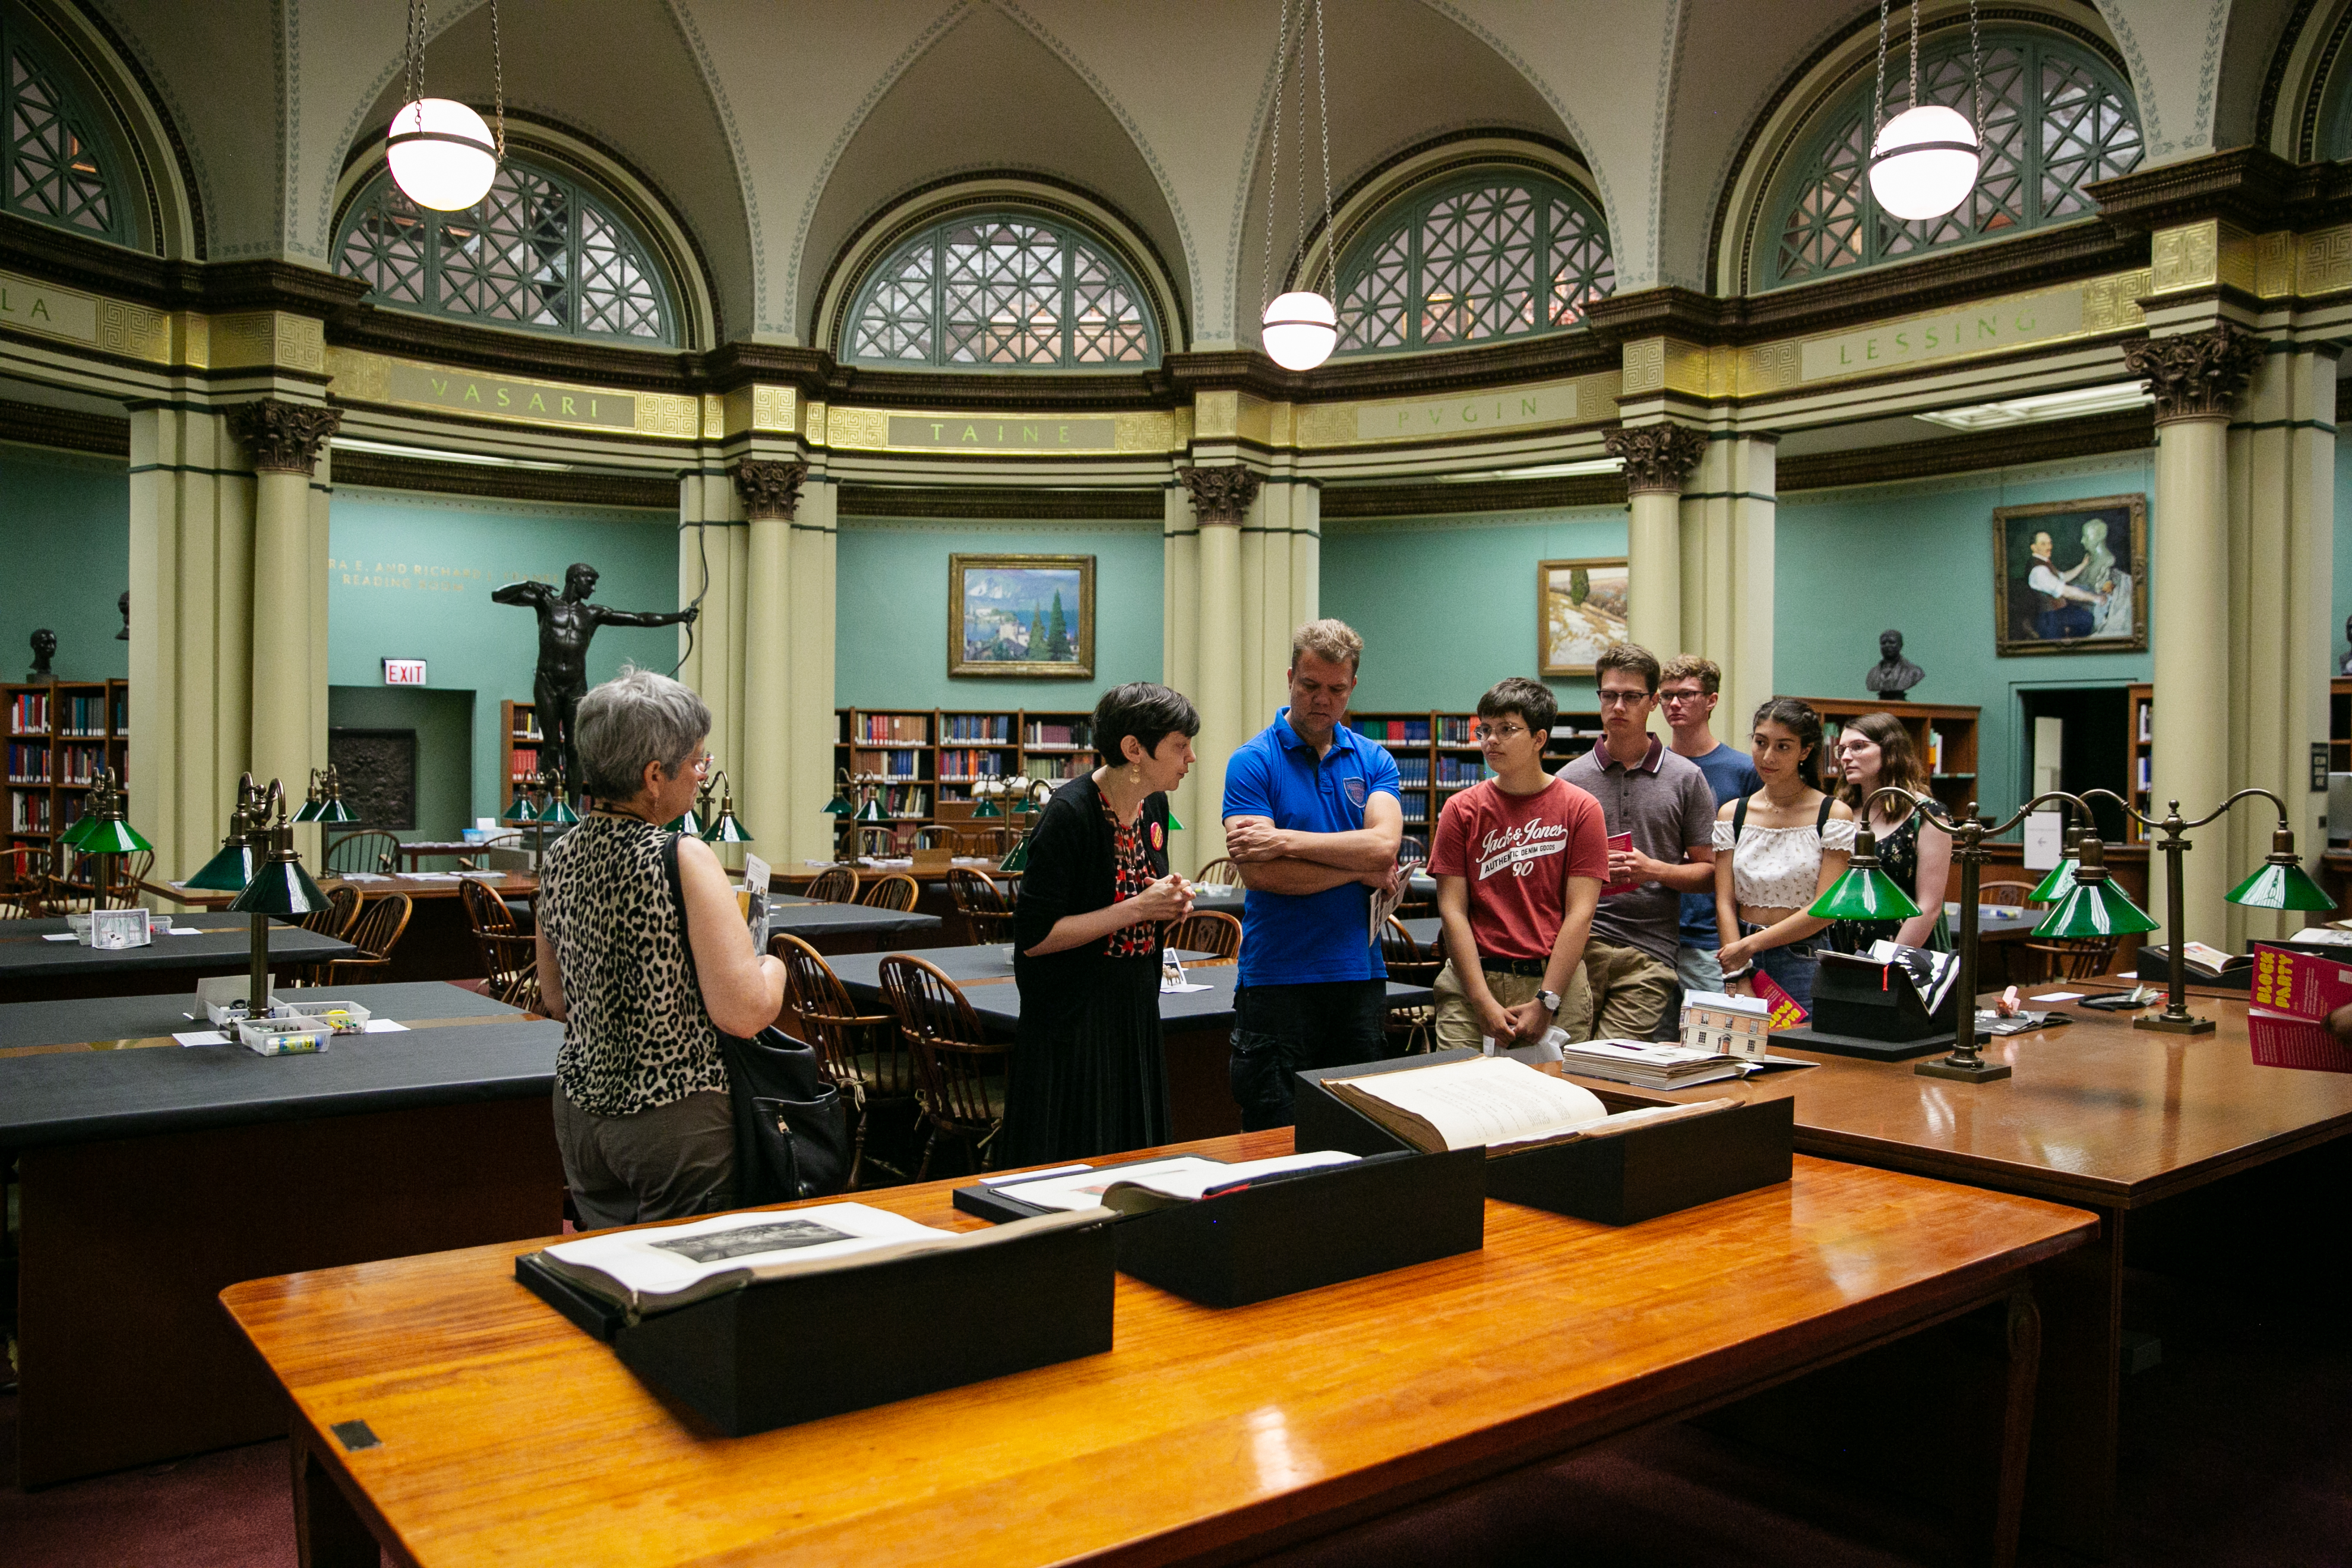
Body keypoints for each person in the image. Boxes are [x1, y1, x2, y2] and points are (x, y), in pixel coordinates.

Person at [536, 666, 786, 1229]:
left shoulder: (560, 855)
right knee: (687, 1294)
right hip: (675, 1121)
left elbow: (556, 1000)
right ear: (654, 776)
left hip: (581, 1111)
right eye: (697, 762)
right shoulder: (682, 856)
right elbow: (743, 1012)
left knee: (609, 1278)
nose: (702, 776)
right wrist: (773, 967)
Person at [1000, 682, 1199, 1165]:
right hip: (1074, 1017)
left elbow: (1139, 892)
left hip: (1132, 1003)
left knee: (1133, 1154)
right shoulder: (1069, 814)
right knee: (1076, 1157)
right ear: (1134, 749)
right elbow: (1036, 939)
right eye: (1179, 745)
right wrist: (1139, 909)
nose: (1191, 758)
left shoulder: (1154, 805)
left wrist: (1169, 903)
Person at [1222, 618, 1405, 1128]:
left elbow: (1385, 846)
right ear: (1290, 677)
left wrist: (1285, 840)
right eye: (1309, 686)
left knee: (1360, 1135)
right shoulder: (1252, 762)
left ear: (1351, 689)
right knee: (1274, 1135)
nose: (1321, 699)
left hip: (1358, 978)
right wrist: (1358, 869)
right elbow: (1261, 876)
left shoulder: (1374, 760)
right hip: (1278, 981)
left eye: (1335, 689)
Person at [1428, 677, 1608, 1051]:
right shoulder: (1460, 810)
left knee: (1560, 1104)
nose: (1491, 740)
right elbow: (1452, 909)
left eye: (1507, 730)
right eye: (1485, 730)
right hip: (1473, 978)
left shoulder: (1581, 808)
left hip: (1553, 980)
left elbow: (1581, 913)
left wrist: (1547, 1001)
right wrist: (1481, 1001)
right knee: (1458, 1098)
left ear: (1540, 739)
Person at [1556, 644, 1719, 1041]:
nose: (1618, 707)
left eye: (1631, 697)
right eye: (1609, 696)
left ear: (1652, 703)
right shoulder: (1569, 780)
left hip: (1650, 953)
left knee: (1611, 1066)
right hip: (1579, 948)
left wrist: (1653, 870)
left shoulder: (1686, 777)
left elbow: (1712, 873)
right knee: (1561, 1061)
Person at [494, 562, 699, 792]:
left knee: (575, 749)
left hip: (575, 685)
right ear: (575, 579)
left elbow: (639, 619)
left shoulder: (592, 614)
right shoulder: (546, 604)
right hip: (547, 683)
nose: (593, 589)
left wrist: (680, 617)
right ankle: (552, 808)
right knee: (551, 746)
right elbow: (498, 596)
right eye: (590, 582)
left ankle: (572, 811)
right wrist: (526, 584)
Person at [1714, 698, 1856, 1011]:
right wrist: (1737, 968)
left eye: (1783, 747)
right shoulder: (1733, 813)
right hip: (1738, 954)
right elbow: (1725, 899)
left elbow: (1825, 909)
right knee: (1739, 1054)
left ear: (1805, 751)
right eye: (1761, 743)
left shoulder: (1832, 814)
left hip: (1800, 957)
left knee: (1800, 1058)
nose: (1768, 757)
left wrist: (1750, 946)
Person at [1659, 655, 1762, 1001]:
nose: (1674, 703)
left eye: (1686, 694)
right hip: (1659, 933)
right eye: (1666, 695)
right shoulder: (1655, 768)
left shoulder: (1743, 770)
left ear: (1711, 701)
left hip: (1713, 934)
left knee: (1712, 1045)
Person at [1833, 712, 1950, 951]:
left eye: (1858, 747)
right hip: (1839, 952)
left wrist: (1885, 965)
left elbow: (1928, 908)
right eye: (1842, 749)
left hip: (1903, 954)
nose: (1846, 757)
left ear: (1890, 750)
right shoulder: (1838, 811)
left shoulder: (1927, 814)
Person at [2024, 530, 2101, 640]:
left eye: (2050, 543)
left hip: (2057, 613)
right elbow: (2066, 591)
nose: (2049, 547)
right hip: (2049, 619)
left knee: (2086, 616)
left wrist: (2083, 565)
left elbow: (2063, 577)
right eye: (2043, 544)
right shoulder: (2038, 570)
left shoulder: (2044, 563)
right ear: (2034, 548)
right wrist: (2095, 598)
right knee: (2087, 620)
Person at [1863, 629, 1924, 697]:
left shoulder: (1914, 672)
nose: (1887, 646)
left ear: (1900, 645)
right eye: (1883, 643)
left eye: (1892, 642)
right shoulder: (1872, 673)